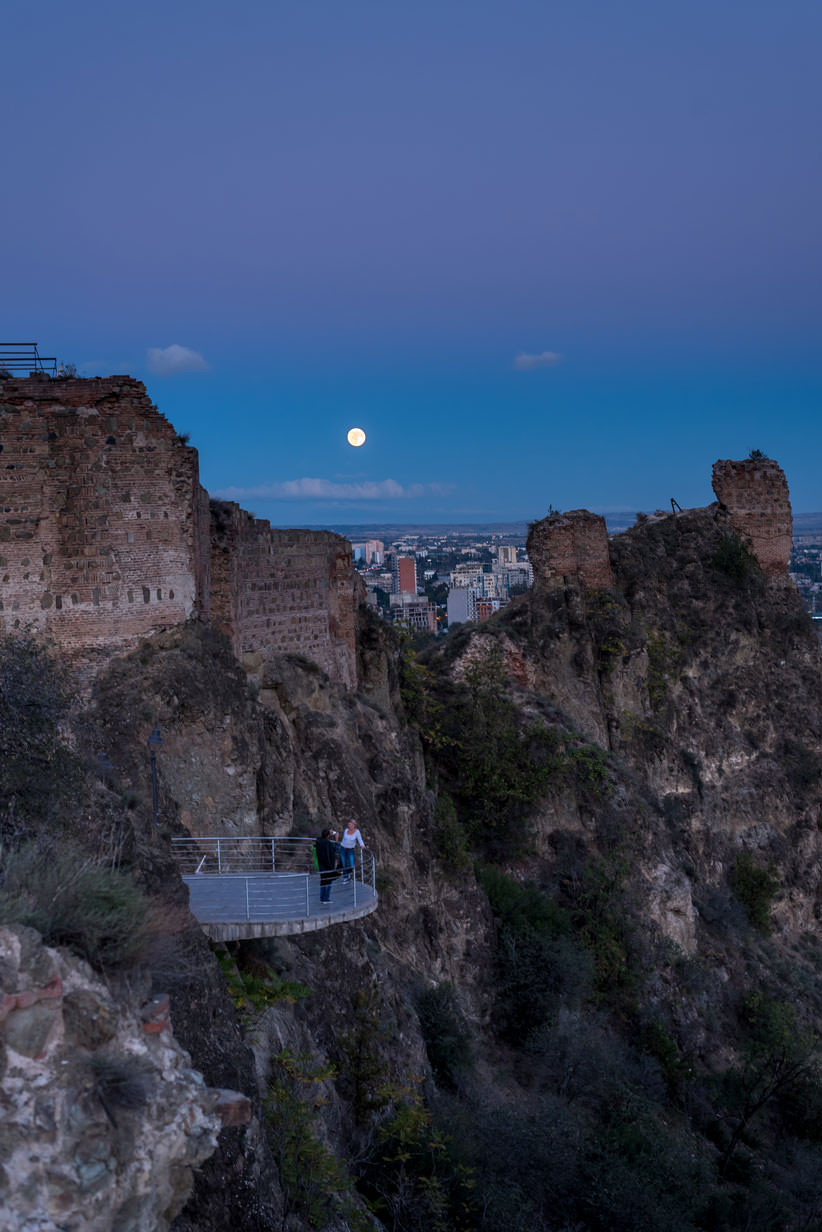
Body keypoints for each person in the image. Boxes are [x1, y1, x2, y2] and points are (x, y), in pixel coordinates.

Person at [315, 828, 339, 904]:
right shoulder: (328, 843)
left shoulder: (319, 841)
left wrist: (329, 834)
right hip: (328, 866)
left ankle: (322, 898)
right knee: (328, 882)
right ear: (328, 835)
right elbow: (335, 849)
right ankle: (326, 899)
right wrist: (336, 839)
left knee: (323, 881)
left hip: (321, 865)